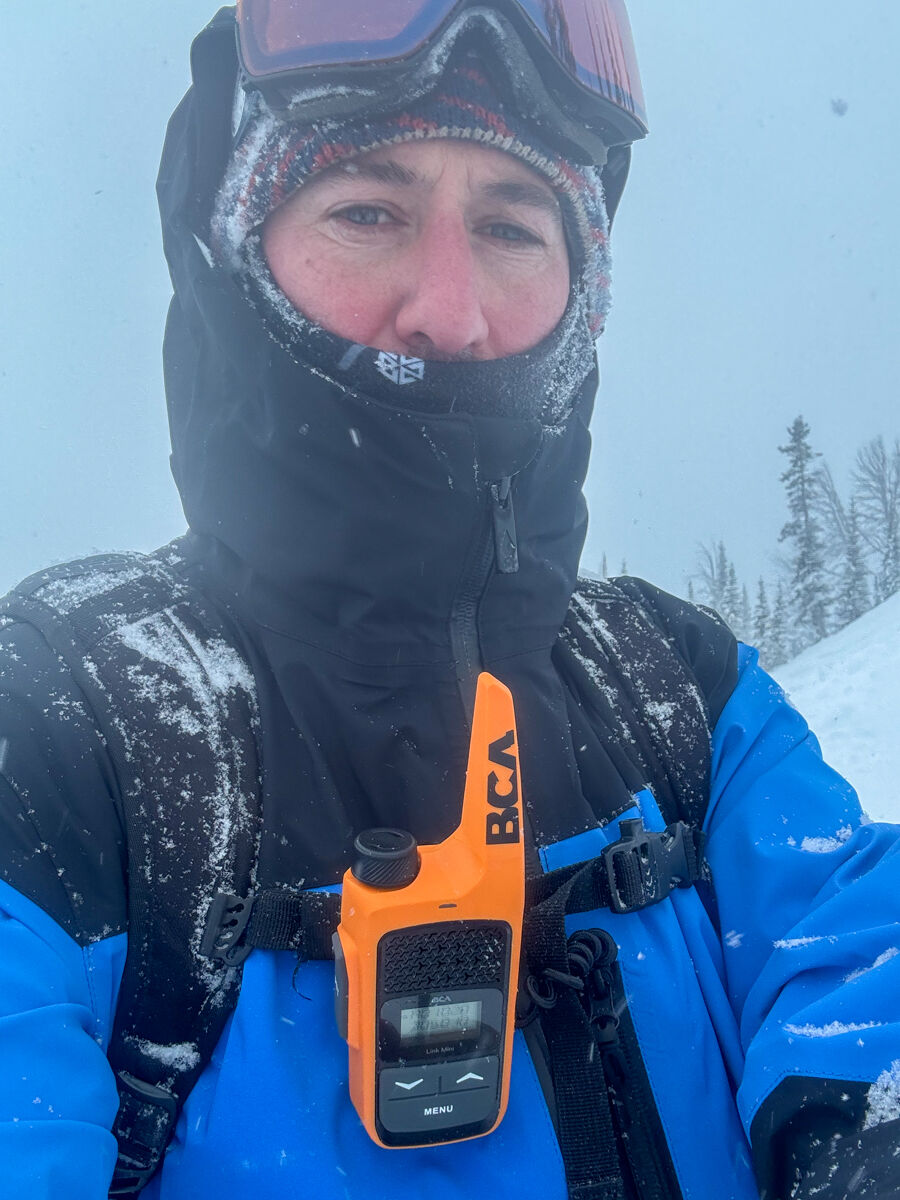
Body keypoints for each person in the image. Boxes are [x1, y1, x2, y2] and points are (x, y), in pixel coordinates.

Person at [1, 3, 898, 1198]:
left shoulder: (686, 692)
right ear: (230, 250)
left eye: (512, 225)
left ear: (586, 290)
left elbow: (853, 962)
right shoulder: (63, 730)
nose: (451, 309)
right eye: (367, 210)